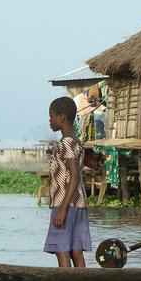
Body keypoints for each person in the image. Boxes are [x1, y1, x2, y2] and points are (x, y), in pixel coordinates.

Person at [44, 96, 92, 267]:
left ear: (61, 118)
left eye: (51, 116)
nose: (49, 121)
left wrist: (62, 209)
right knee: (75, 249)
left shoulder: (67, 143)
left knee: (61, 248)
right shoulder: (75, 140)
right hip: (78, 202)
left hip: (65, 203)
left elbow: (74, 175)